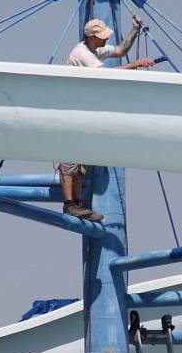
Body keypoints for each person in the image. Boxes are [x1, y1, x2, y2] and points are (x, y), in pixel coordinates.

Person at [61, 16, 154, 220]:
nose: (105, 40)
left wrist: (134, 30)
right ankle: (69, 204)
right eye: (102, 37)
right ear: (92, 37)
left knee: (80, 162)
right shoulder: (82, 54)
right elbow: (106, 74)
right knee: (69, 161)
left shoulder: (94, 50)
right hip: (69, 113)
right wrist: (136, 64)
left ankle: (77, 204)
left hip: (82, 114)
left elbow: (120, 51)